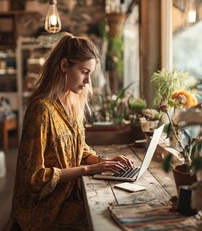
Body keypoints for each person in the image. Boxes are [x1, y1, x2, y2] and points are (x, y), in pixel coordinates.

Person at [10, 32, 134, 231]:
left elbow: (78, 149)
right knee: (107, 222)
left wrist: (103, 161)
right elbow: (33, 178)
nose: (87, 82)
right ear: (64, 65)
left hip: (69, 197)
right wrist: (88, 169)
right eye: (84, 72)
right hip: (44, 210)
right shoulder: (41, 109)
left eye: (90, 74)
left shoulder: (72, 103)